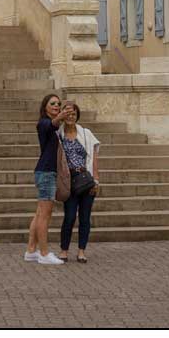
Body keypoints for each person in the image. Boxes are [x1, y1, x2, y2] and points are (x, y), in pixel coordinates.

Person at [24, 92, 65, 264]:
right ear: (45, 107)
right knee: (45, 215)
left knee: (39, 213)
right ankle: (44, 253)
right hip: (46, 172)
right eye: (53, 104)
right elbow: (52, 124)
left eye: (58, 104)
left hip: (47, 172)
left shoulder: (54, 126)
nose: (56, 106)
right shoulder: (44, 123)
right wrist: (60, 117)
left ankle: (31, 250)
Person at [58, 100, 99, 262]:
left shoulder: (86, 134)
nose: (70, 116)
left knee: (85, 217)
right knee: (69, 216)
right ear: (62, 115)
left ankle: (81, 251)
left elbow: (94, 157)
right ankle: (64, 250)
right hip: (69, 180)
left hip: (85, 178)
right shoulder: (58, 135)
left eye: (73, 113)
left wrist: (96, 180)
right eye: (67, 113)